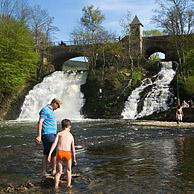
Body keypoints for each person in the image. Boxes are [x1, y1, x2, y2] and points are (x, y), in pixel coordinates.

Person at [35, 98, 62, 176]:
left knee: (48, 152)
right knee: (52, 152)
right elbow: (40, 122)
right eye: (58, 106)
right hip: (47, 134)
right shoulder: (45, 110)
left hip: (51, 134)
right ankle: (51, 171)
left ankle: (47, 171)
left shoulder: (50, 111)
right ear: (54, 103)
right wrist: (39, 136)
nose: (58, 108)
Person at [48, 119, 77, 189]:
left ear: (62, 126)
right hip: (67, 153)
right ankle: (68, 185)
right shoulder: (71, 136)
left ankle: (56, 186)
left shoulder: (59, 134)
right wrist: (74, 159)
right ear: (69, 126)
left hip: (60, 152)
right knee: (68, 170)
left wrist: (50, 153)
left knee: (59, 172)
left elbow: (54, 144)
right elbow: (73, 149)